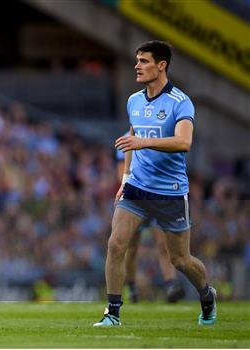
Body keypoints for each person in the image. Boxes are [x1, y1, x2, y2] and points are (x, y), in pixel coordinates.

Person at [94, 40, 216, 326]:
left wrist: (142, 141)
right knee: (115, 245)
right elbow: (130, 143)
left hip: (170, 192)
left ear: (162, 65)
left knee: (180, 260)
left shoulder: (180, 102)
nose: (137, 66)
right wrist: (124, 180)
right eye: (137, 60)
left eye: (144, 61)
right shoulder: (133, 101)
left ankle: (207, 294)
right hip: (136, 188)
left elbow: (184, 142)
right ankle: (113, 313)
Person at [116, 139, 186, 303]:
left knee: (163, 243)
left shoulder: (159, 133)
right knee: (131, 247)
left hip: (157, 196)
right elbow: (121, 171)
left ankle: (170, 284)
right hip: (136, 198)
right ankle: (132, 286)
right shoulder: (127, 137)